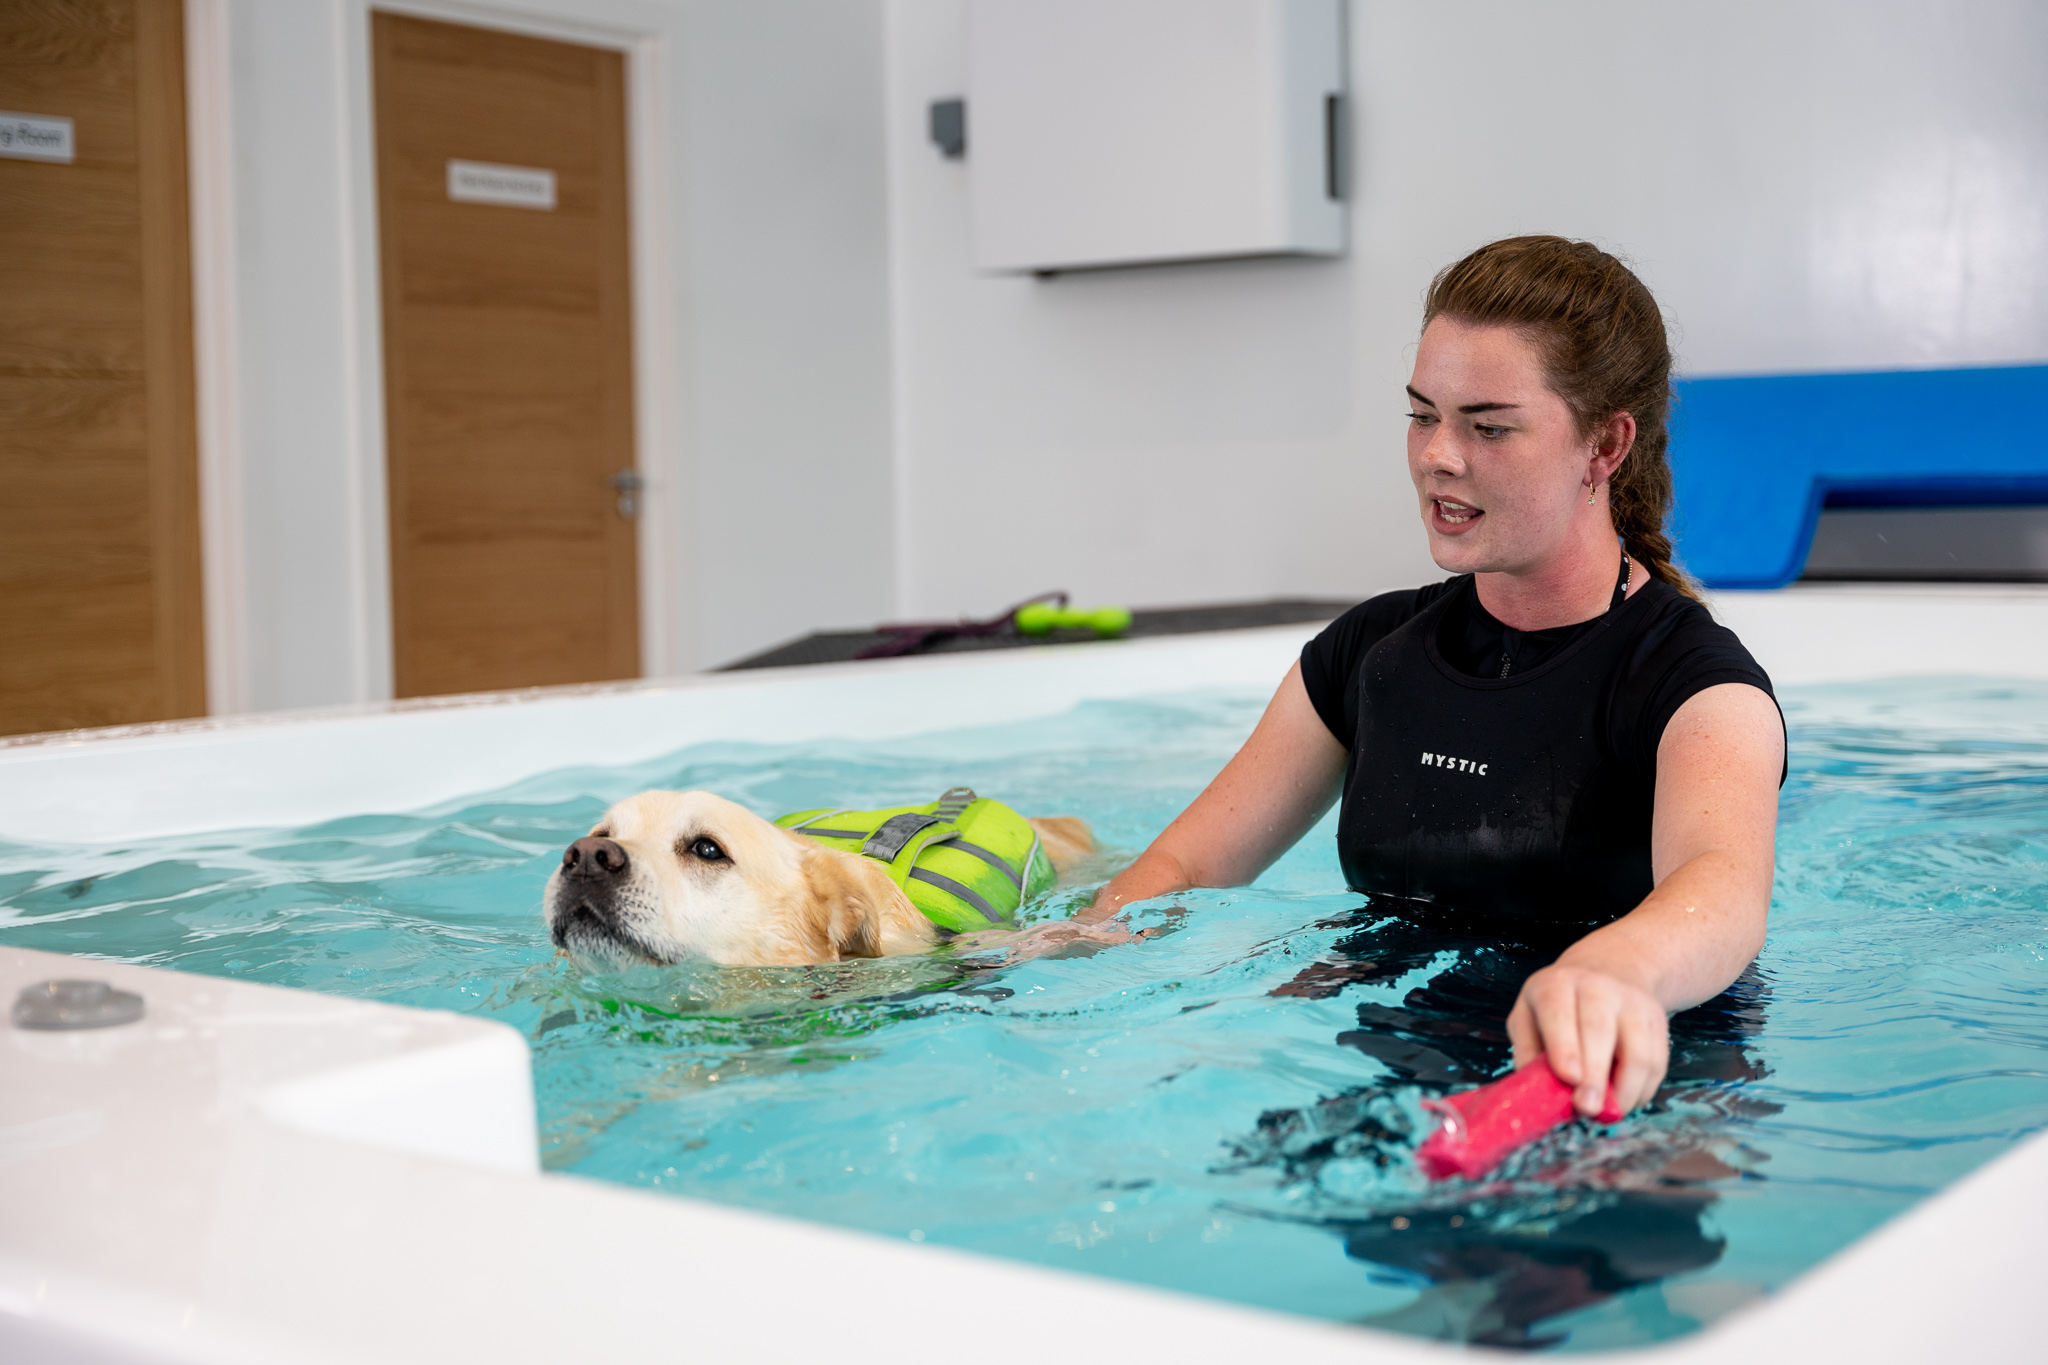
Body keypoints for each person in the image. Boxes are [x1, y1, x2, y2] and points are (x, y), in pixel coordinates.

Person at [1060, 235, 1786, 1119]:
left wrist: (1616, 969)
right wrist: (1065, 947)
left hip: (1619, 1076)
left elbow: (1722, 885)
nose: (1438, 454)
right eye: (1421, 415)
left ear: (1604, 444)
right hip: (1390, 1052)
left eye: (1488, 426)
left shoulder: (1695, 686)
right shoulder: (1370, 653)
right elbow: (1185, 863)